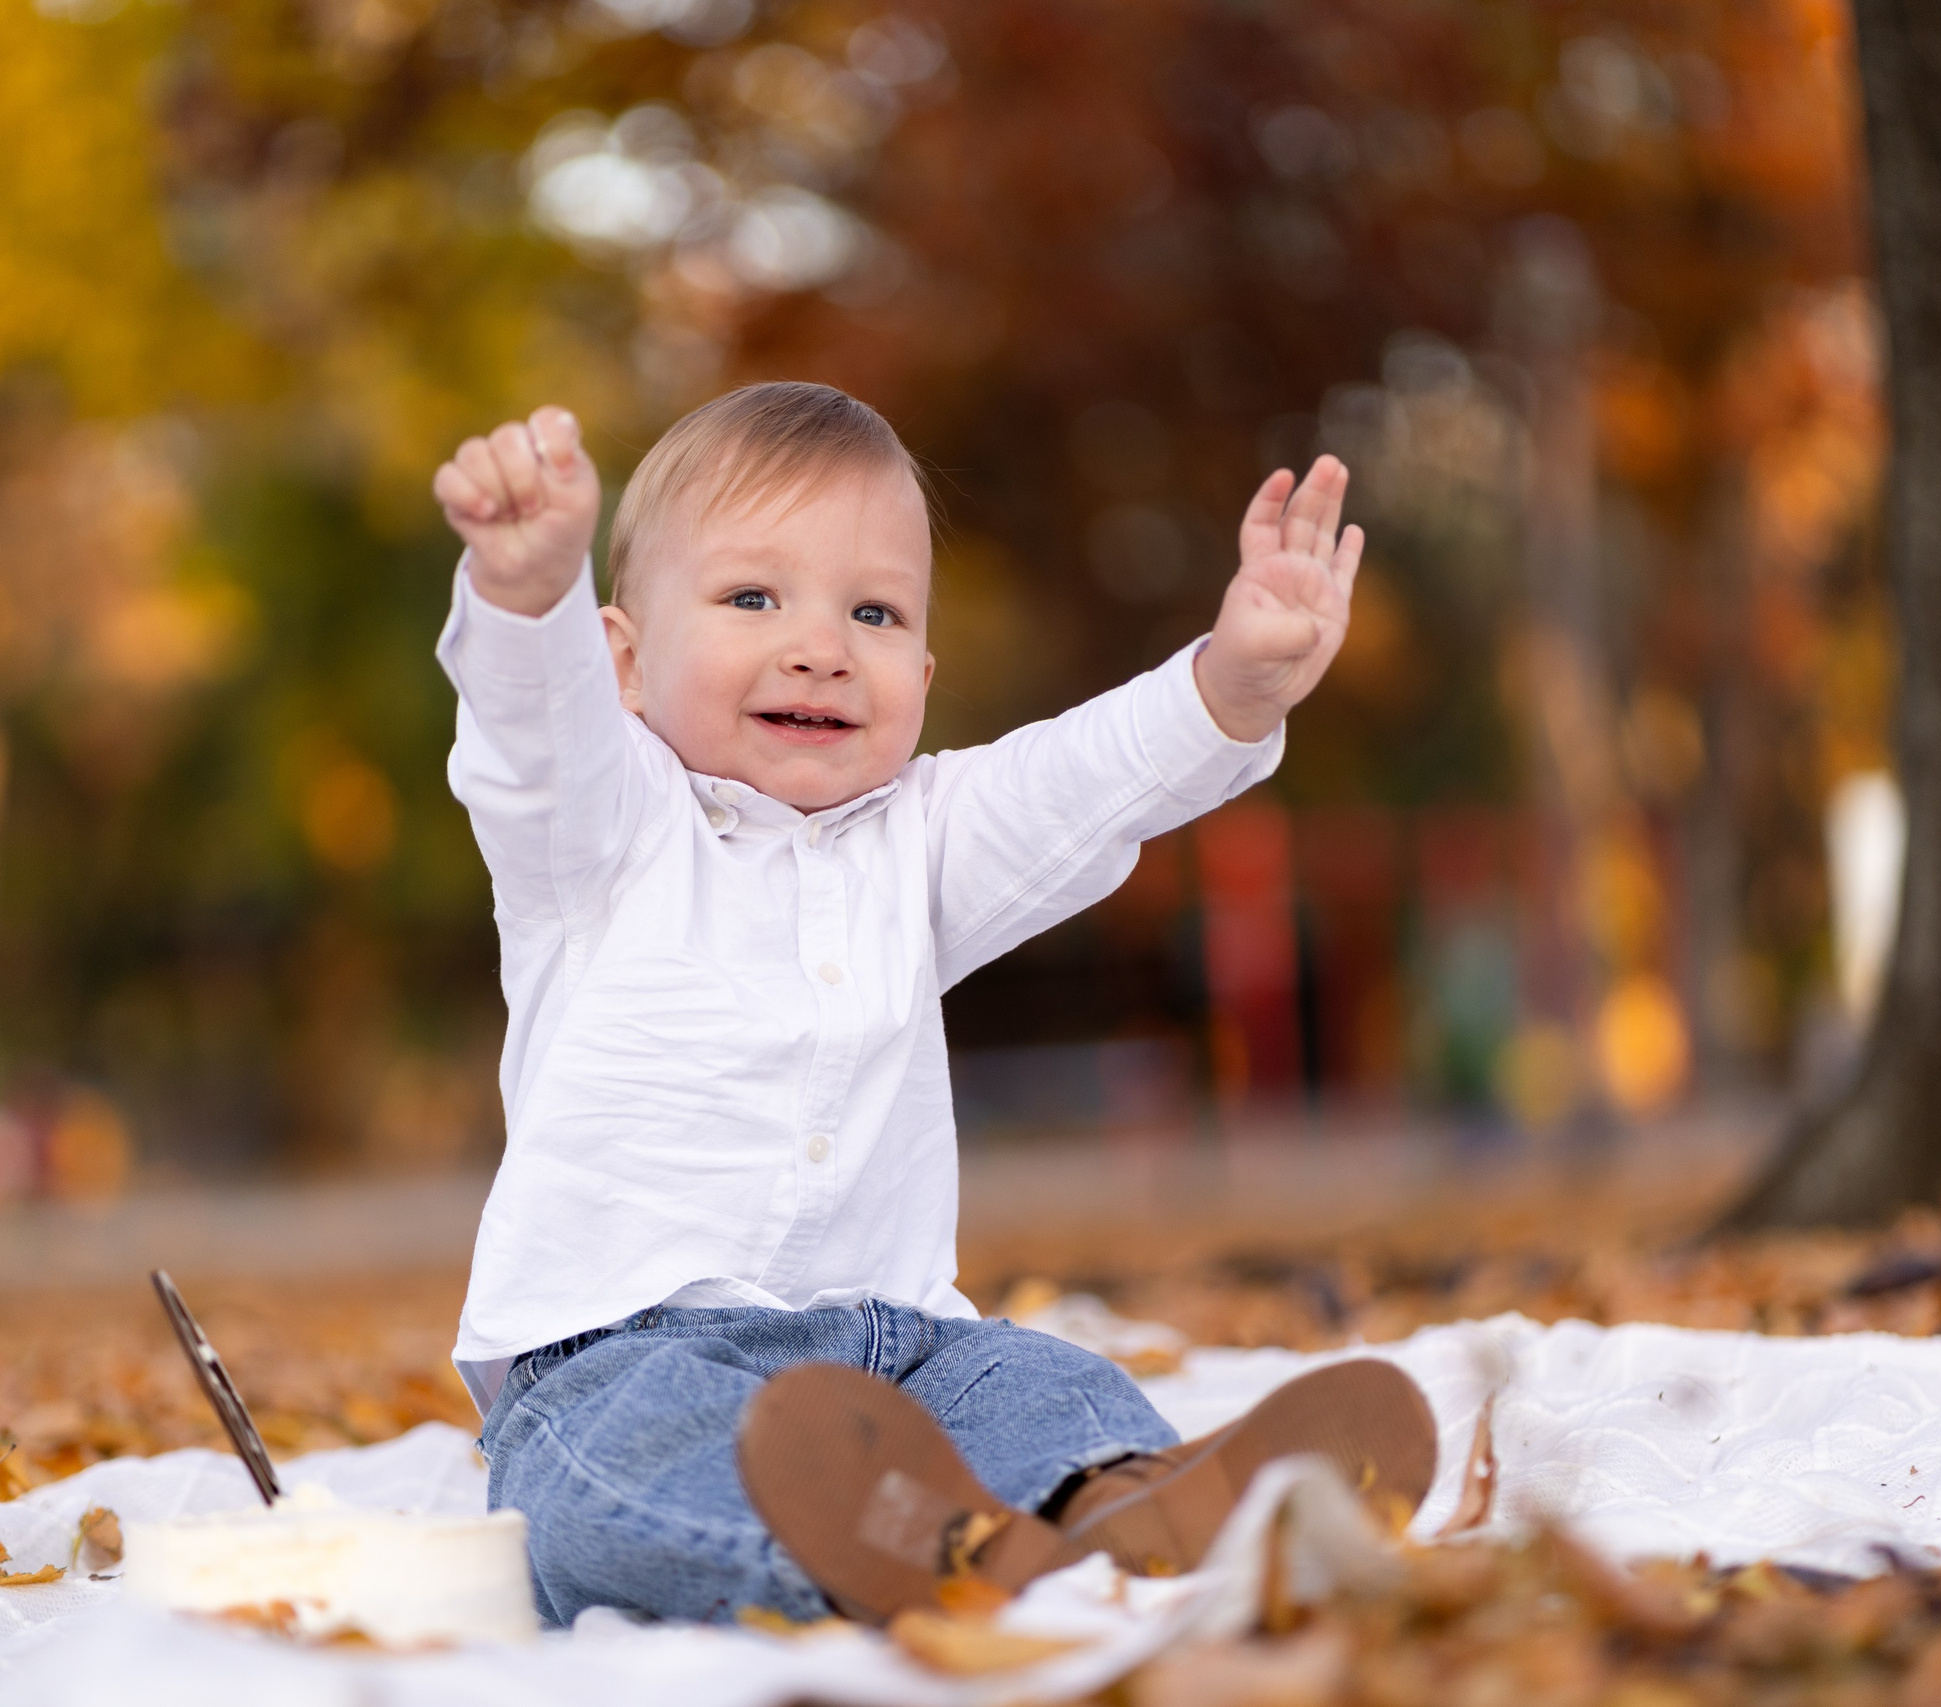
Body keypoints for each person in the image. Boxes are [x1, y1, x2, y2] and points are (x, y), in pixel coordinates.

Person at [430, 381, 1436, 1628]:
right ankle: (885, 1555)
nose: (821, 645)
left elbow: (1082, 784)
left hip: (897, 1353)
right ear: (625, 660)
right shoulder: (604, 832)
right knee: (602, 1488)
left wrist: (1231, 686)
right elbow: (532, 736)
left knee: (1028, 1376)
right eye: (753, 598)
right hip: (621, 1356)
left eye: (875, 611)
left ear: (921, 666)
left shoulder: (920, 840)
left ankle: (1130, 1504)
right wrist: (527, 600)